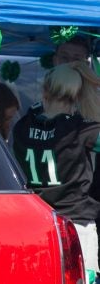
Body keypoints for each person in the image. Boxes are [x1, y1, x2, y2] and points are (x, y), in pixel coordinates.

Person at [11, 61, 100, 280]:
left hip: (37, 224)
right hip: (76, 224)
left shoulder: (21, 126)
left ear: (44, 90)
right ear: (77, 96)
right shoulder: (83, 131)